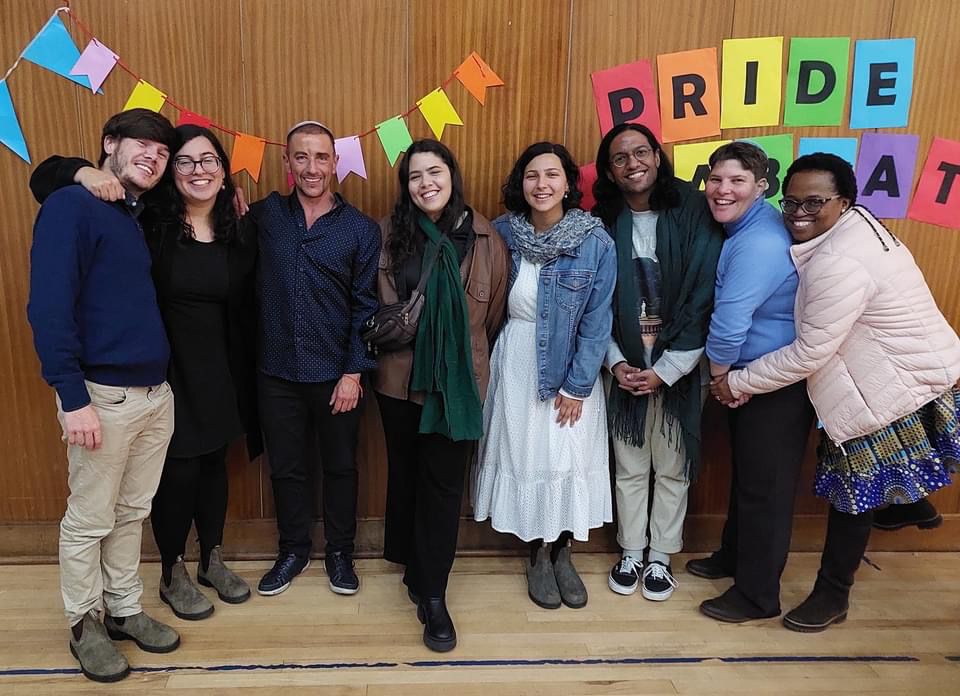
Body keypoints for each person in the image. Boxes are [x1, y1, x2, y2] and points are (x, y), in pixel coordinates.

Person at [711, 153, 960, 631]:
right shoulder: (850, 229)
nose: (799, 212)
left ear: (844, 202)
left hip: (891, 387)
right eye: (792, 202)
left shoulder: (838, 262)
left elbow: (808, 353)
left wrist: (733, 381)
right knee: (871, 484)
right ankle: (906, 502)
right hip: (900, 373)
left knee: (854, 494)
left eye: (815, 202)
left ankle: (832, 595)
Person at [30, 125, 261, 622]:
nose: (198, 170)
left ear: (224, 172)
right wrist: (83, 170)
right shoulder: (147, 218)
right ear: (170, 175)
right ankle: (170, 571)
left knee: (209, 470)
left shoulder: (239, 227)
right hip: (164, 372)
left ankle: (209, 560)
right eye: (184, 161)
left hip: (217, 370)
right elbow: (45, 177)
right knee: (171, 478)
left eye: (209, 162)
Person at [26, 109, 181, 683]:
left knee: (130, 513)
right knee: (90, 518)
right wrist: (73, 397)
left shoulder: (134, 214)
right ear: (108, 145)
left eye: (163, 152)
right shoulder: (72, 205)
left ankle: (123, 608)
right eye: (142, 144)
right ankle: (83, 622)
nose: (154, 157)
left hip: (153, 395)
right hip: (101, 396)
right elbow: (47, 308)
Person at [374, 139, 508, 652]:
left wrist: (457, 356)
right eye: (414, 176)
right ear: (405, 186)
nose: (426, 183)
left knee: (444, 487)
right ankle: (413, 567)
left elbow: (491, 316)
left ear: (452, 175)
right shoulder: (389, 235)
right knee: (406, 475)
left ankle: (434, 594)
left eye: (435, 172)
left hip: (457, 385)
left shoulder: (486, 239)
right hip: (397, 383)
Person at [473, 142, 615, 611]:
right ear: (521, 182)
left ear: (569, 183)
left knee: (564, 457)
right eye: (532, 176)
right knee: (525, 453)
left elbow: (597, 321)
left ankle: (563, 551)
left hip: (570, 363)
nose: (542, 185)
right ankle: (537, 552)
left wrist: (577, 385)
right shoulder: (501, 234)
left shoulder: (595, 240)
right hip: (514, 356)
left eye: (552, 175)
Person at [591, 124, 724, 601]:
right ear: (609, 170)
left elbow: (705, 292)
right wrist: (614, 362)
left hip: (680, 367)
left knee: (671, 465)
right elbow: (592, 300)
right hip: (624, 364)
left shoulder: (692, 210)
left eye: (640, 152)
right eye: (620, 158)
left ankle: (661, 558)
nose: (633, 163)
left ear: (657, 156)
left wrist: (666, 369)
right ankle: (630, 551)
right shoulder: (600, 220)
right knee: (627, 464)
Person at [248, 121, 381, 597]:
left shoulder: (361, 229)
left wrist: (352, 372)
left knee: (341, 466)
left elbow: (366, 306)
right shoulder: (263, 217)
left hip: (336, 375)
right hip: (276, 371)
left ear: (335, 163)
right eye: (300, 157)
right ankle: (293, 549)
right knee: (286, 466)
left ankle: (341, 553)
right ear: (287, 163)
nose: (311, 167)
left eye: (320, 157)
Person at [689, 141, 815, 624]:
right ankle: (734, 557)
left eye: (737, 181)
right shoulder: (747, 228)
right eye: (716, 180)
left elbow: (730, 320)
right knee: (750, 480)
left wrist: (721, 378)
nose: (722, 191)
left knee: (767, 489)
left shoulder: (759, 241)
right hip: (751, 375)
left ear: (761, 187)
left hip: (770, 380)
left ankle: (758, 596)